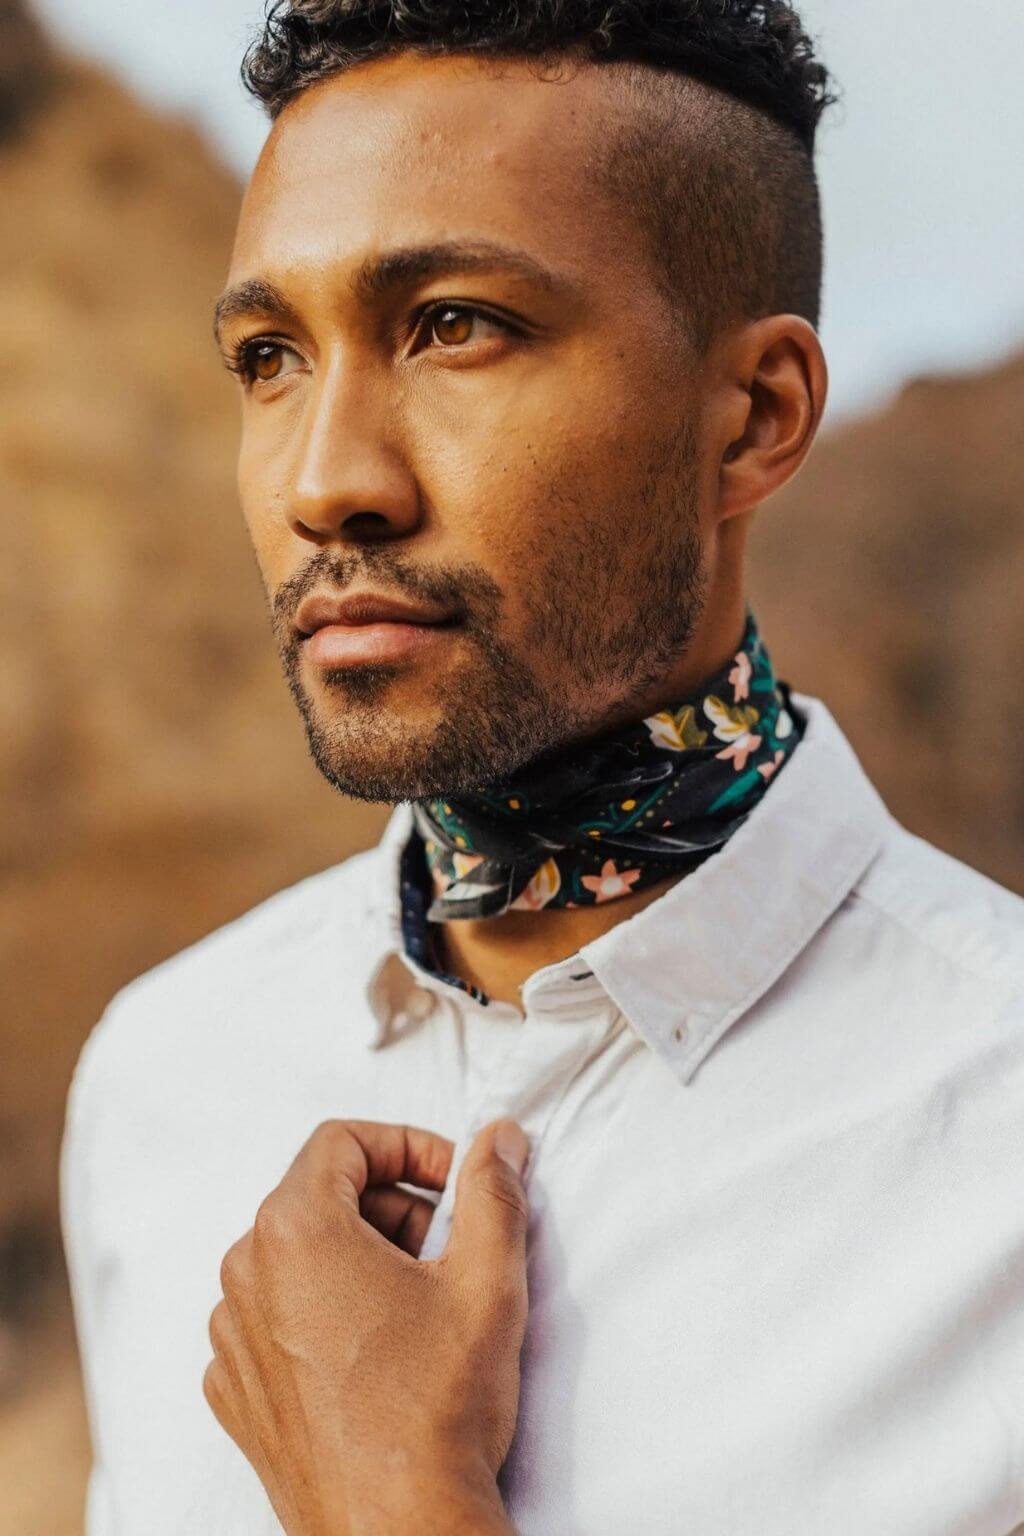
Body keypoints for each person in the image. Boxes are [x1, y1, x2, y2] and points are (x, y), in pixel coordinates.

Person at [60, 1, 1024, 1532]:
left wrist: (393, 1503)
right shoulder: (165, 1077)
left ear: (757, 417)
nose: (328, 482)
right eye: (269, 356)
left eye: (456, 326)